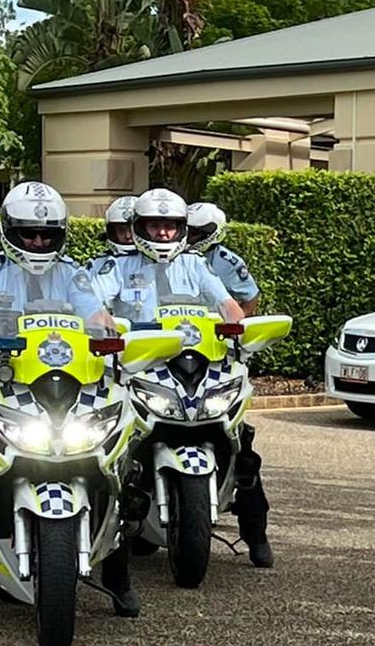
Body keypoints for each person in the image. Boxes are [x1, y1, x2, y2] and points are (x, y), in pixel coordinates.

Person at [0, 181, 141, 618]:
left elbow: (98, 320)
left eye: (47, 234)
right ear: (8, 230)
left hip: (68, 386)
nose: (38, 242)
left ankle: (118, 577)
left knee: (122, 473)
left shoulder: (75, 274)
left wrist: (114, 336)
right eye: (27, 233)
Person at [91, 190, 273, 568]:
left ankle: (256, 533)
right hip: (140, 369)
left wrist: (240, 331)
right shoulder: (118, 269)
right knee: (103, 446)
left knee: (244, 448)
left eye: (170, 227)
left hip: (195, 367)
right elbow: (95, 309)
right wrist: (105, 330)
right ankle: (104, 538)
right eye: (155, 226)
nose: (162, 234)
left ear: (181, 230)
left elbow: (228, 305)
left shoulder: (196, 265)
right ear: (139, 228)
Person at [186, 202, 260, 315]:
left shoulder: (227, 263)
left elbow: (250, 298)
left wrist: (232, 327)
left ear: (212, 234)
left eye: (193, 233)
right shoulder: (168, 253)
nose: (186, 237)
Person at [88, 195, 137, 301]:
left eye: (132, 230)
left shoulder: (153, 261)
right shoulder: (99, 263)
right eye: (121, 230)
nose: (128, 236)